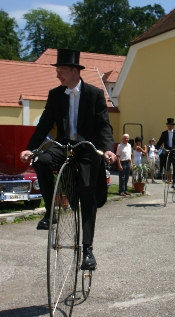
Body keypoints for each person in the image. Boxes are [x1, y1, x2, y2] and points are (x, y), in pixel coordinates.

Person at [19, 48, 116, 271]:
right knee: (41, 161)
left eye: (61, 71)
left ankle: (88, 249)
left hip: (86, 148)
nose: (58, 75)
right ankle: (50, 212)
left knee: (88, 191)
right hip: (63, 145)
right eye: (57, 71)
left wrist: (108, 149)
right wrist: (30, 149)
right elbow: (44, 125)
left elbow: (104, 126)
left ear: (74, 71)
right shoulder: (55, 95)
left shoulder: (94, 94)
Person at [155, 118, 175, 189]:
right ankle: (161, 170)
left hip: (174, 150)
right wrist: (156, 148)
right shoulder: (164, 133)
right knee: (162, 154)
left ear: (173, 126)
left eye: (170, 126)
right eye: (168, 126)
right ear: (167, 126)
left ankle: (174, 182)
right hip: (167, 149)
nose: (169, 127)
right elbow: (159, 142)